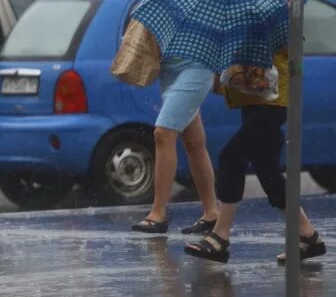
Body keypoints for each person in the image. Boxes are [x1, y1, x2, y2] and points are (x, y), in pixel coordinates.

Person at [185, 51, 326, 264]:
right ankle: (308, 235)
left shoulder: (267, 20)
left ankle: (220, 236)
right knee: (267, 170)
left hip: (272, 97)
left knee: (231, 158)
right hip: (252, 97)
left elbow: (280, 50)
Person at [131, 55, 220, 235]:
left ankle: (158, 214)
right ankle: (211, 213)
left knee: (163, 134)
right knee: (193, 142)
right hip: (169, 66)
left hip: (197, 65)